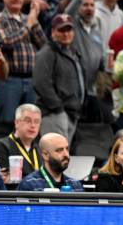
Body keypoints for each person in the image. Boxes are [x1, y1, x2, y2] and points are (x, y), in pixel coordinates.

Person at [0, 0, 46, 137]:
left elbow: (44, 44)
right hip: (9, 80)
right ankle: (0, 160)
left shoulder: (28, 18)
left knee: (30, 127)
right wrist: (28, 24)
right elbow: (5, 43)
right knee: (4, 126)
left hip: (31, 79)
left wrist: (34, 21)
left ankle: (26, 161)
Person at [33, 14, 86, 142]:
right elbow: (41, 83)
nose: (66, 34)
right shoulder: (47, 53)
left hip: (71, 113)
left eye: (68, 30)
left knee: (62, 156)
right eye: (61, 30)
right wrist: (58, 108)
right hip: (54, 114)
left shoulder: (73, 52)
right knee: (54, 156)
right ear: (53, 32)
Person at [0, 103, 42, 183]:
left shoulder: (40, 149)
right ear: (16, 123)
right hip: (14, 194)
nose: (33, 125)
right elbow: (6, 179)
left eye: (36, 122)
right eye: (28, 120)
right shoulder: (1, 146)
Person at [17, 132, 83, 192]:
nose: (66, 154)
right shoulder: (29, 184)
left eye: (67, 149)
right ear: (45, 155)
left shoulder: (76, 185)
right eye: (59, 150)